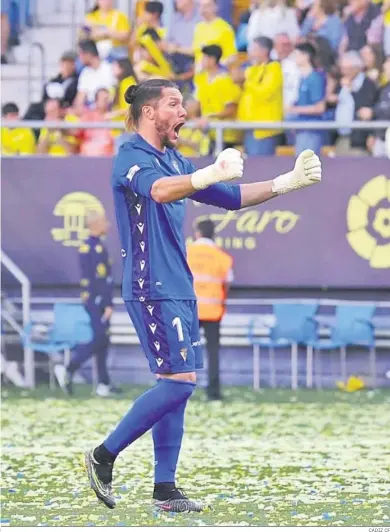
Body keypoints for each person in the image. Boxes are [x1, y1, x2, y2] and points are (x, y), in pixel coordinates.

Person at [83, 78, 321, 513]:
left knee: (176, 385)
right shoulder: (131, 156)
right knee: (179, 384)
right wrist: (206, 172)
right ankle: (103, 455)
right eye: (174, 103)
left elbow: (229, 197)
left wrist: (286, 182)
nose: (184, 111)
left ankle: (165, 488)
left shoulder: (175, 158)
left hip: (180, 286)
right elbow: (159, 189)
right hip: (150, 285)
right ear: (150, 112)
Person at [54, 212, 114, 397]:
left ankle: (103, 384)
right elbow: (98, 279)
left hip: (98, 300)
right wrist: (105, 303)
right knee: (99, 339)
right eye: (105, 221)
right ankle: (69, 368)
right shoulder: (91, 248)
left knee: (103, 341)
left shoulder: (96, 246)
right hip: (97, 300)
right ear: (96, 224)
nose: (109, 224)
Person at [187, 220, 232, 401]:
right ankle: (213, 392)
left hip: (189, 310)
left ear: (197, 233)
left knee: (184, 350)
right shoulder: (222, 257)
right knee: (212, 352)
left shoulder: (186, 253)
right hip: (213, 311)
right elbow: (227, 283)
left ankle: (179, 388)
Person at [237, 37, 283, 156]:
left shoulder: (274, 68)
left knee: (261, 166)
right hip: (249, 126)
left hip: (264, 129)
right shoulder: (252, 69)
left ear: (264, 51)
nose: (250, 52)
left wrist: (246, 80)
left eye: (253, 49)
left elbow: (265, 93)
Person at [193, 44, 241, 150]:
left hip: (226, 135)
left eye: (205, 57)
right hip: (208, 133)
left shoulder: (225, 80)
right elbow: (198, 105)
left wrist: (210, 117)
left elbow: (231, 108)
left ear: (212, 60)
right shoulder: (202, 80)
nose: (202, 60)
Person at [335, 50, 378, 155]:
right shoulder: (342, 82)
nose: (344, 72)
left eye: (348, 69)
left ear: (357, 68)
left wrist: (351, 90)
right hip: (342, 136)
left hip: (358, 140)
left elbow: (364, 108)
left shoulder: (368, 84)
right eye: (342, 68)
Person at [287, 42, 326, 155]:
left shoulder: (314, 78)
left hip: (311, 130)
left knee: (307, 167)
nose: (294, 58)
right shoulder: (300, 78)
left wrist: (294, 109)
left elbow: (320, 107)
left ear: (306, 56)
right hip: (301, 128)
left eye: (296, 54)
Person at [192, 0, 237, 67]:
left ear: (215, 7)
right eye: (200, 6)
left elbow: (233, 57)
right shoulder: (198, 28)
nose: (203, 9)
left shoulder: (225, 28)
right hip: (199, 75)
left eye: (207, 6)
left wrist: (215, 65)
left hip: (217, 74)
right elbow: (196, 52)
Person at [75, 40, 116, 108]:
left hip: (107, 108)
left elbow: (113, 95)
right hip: (89, 110)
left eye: (80, 54)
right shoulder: (85, 72)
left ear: (88, 54)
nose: (79, 57)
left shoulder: (109, 69)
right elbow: (80, 99)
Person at [79, 88, 115, 156]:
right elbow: (76, 132)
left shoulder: (114, 117)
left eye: (107, 99)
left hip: (107, 157)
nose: (105, 102)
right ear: (96, 100)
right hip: (89, 155)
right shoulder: (88, 116)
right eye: (103, 99)